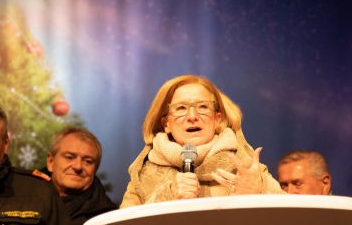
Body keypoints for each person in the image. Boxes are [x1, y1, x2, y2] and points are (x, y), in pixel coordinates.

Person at [120, 74, 282, 208]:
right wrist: (167, 196)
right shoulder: (143, 174)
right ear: (166, 124)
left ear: (217, 119)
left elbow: (289, 218)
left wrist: (258, 195)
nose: (192, 117)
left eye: (203, 107)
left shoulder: (246, 166)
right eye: (181, 108)